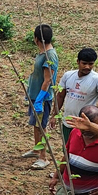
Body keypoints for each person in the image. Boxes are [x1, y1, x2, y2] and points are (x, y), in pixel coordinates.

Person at [52, 48, 98, 144]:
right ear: (78, 62)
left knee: (82, 150)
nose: (87, 67)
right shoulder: (68, 76)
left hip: (85, 125)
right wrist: (54, 115)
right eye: (84, 63)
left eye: (90, 64)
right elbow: (60, 96)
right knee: (67, 148)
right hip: (68, 122)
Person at [21, 24, 58, 170]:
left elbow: (48, 80)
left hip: (42, 99)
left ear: (36, 39)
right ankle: (37, 150)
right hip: (35, 96)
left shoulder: (50, 56)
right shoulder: (43, 53)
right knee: (36, 125)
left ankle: (44, 157)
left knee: (41, 127)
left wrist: (40, 99)